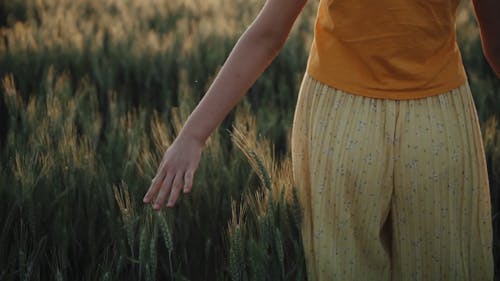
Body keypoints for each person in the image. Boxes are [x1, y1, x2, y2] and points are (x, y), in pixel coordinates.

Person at [143, 0, 499, 279]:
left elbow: (268, 34)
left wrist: (193, 134)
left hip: (342, 123)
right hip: (437, 127)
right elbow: (496, 40)